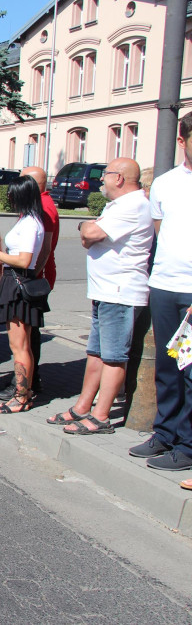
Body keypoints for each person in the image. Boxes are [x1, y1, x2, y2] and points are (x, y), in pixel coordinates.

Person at [36, 158, 152, 434]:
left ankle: (101, 416)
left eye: (106, 174)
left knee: (113, 356)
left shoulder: (134, 205)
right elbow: (89, 234)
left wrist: (87, 231)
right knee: (96, 353)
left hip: (119, 291)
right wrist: (87, 232)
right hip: (105, 290)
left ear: (120, 178)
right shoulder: (119, 205)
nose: (101, 179)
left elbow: (92, 232)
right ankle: (83, 407)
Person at [129, 113, 192, 472]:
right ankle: (165, 433)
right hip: (166, 286)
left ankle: (188, 445)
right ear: (181, 141)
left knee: (191, 369)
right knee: (168, 367)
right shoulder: (166, 184)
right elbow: (160, 232)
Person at [0, 176, 46, 413]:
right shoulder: (28, 220)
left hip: (18, 282)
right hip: (16, 280)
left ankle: (21, 395)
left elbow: (25, 259)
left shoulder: (30, 223)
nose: (9, 198)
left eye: (12, 194)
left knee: (19, 345)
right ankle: (23, 393)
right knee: (22, 345)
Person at [18, 165, 59, 396]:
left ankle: (30, 382)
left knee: (30, 331)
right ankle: (28, 378)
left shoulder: (43, 207)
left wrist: (32, 276)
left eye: (22, 179)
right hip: (34, 274)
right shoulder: (39, 204)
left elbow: (45, 247)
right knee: (29, 330)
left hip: (35, 277)